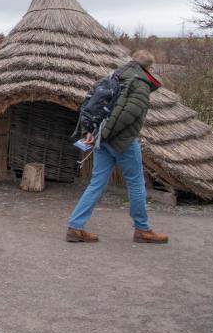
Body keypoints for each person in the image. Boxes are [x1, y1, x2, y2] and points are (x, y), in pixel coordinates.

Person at [66, 50, 169, 244]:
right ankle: (142, 229)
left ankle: (75, 226)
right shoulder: (139, 84)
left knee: (97, 184)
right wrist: (105, 134)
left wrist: (95, 132)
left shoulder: (114, 76)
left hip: (101, 140)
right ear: (148, 68)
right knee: (136, 184)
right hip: (122, 142)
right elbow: (129, 115)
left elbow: (93, 104)